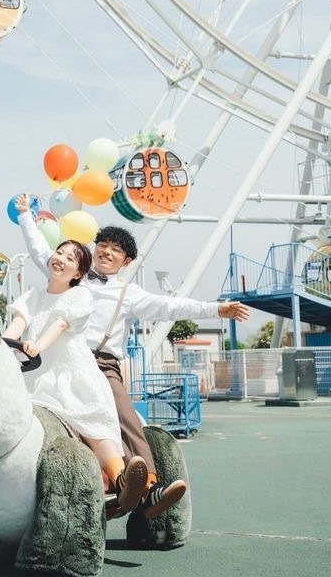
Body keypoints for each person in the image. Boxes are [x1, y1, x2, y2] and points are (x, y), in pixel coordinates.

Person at [14, 194, 251, 520]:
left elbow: (172, 306)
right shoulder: (72, 271)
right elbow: (39, 249)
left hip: (100, 361)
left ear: (126, 261)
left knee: (121, 413)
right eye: (103, 245)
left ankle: (147, 486)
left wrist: (216, 309)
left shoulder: (127, 293)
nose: (107, 252)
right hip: (56, 356)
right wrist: (26, 215)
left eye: (116, 250)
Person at [2, 235, 149, 514]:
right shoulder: (32, 295)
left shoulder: (80, 295)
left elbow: (60, 324)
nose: (61, 259)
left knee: (93, 421)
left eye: (71, 258)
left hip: (70, 372)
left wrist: (37, 347)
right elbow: (17, 324)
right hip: (34, 374)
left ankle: (121, 479)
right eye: (59, 252)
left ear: (78, 272)